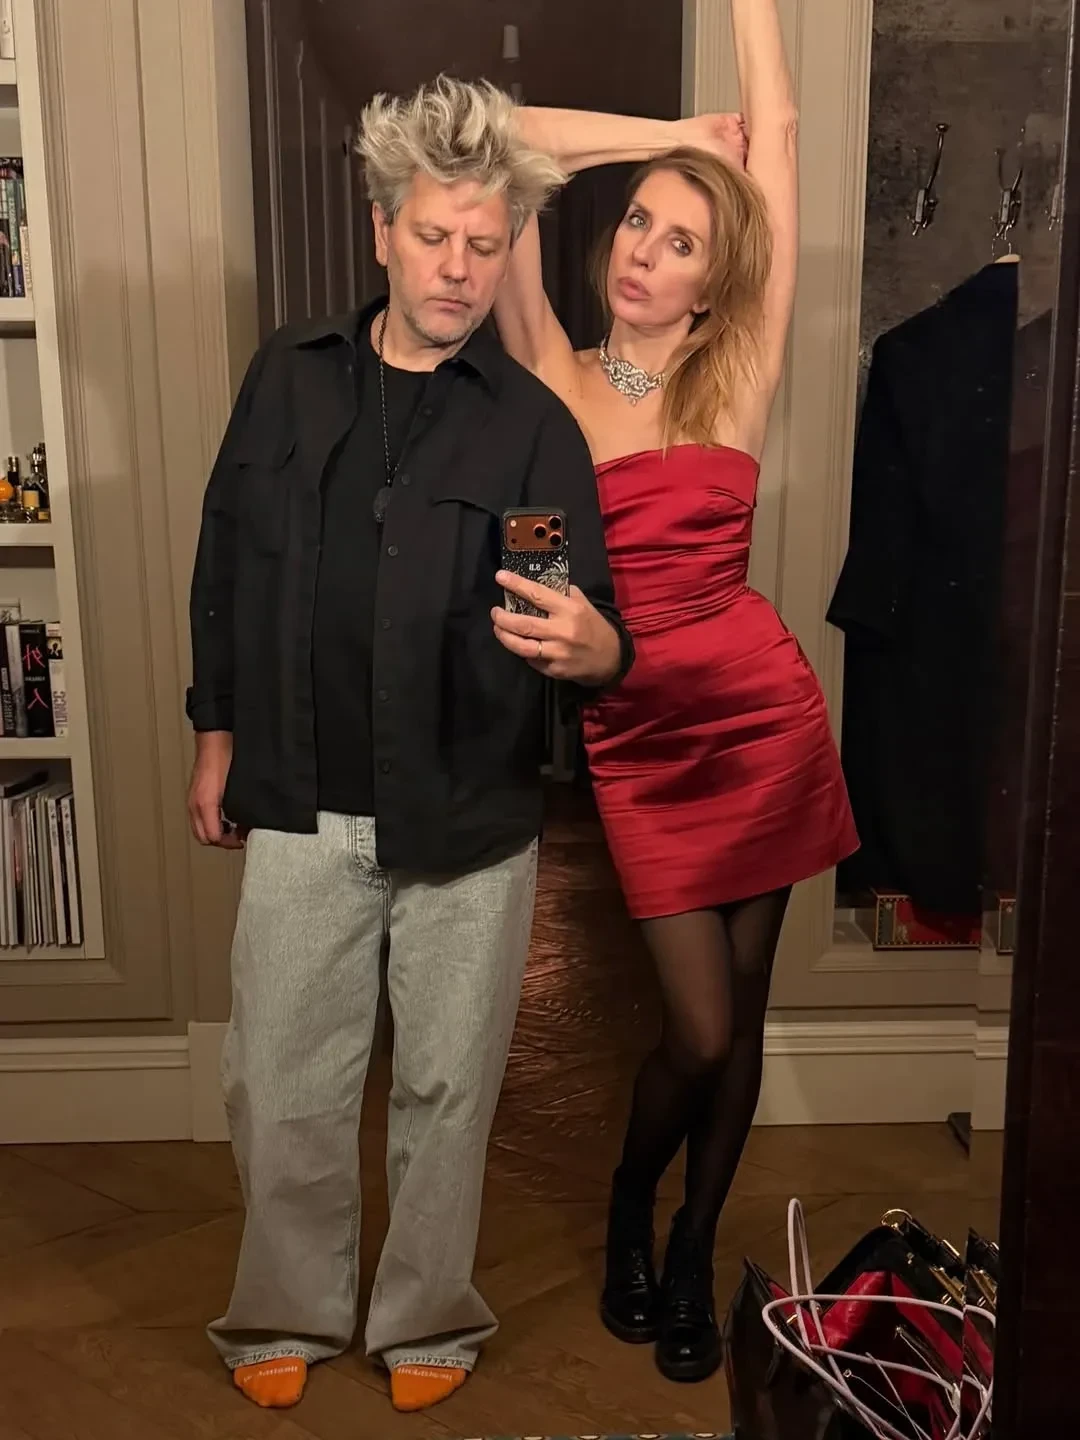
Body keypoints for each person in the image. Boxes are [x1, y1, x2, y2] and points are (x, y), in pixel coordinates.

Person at [185, 76, 632, 1414]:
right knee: (280, 1082)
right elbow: (225, 562)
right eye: (435, 236)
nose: (458, 268)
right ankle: (283, 1310)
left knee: (449, 1085)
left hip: (469, 804)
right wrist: (216, 735)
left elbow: (579, 610)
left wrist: (594, 649)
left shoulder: (532, 424)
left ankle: (430, 1318)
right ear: (383, 230)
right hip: (300, 789)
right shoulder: (287, 376)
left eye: (485, 244)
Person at [492, 0, 858, 1384]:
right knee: (695, 1032)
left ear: (718, 284)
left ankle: (695, 1247)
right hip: (641, 742)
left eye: (683, 239)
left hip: (766, 727)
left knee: (740, 1022)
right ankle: (626, 1212)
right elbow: (500, 138)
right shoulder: (552, 375)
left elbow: (787, 129)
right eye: (638, 222)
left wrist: (751, 55)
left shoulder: (738, 364)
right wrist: (670, 136)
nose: (644, 249)